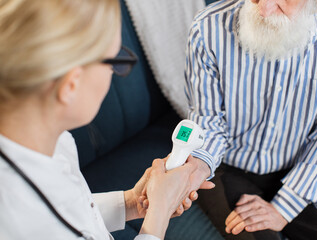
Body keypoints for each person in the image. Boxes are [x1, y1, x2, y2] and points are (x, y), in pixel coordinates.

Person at [0, 0, 212, 239]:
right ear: (71, 84)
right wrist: (159, 214)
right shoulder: (13, 214)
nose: (113, 73)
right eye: (114, 61)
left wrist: (130, 203)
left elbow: (67, 209)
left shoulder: (48, 138)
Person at [184, 0, 317, 239]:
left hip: (298, 165)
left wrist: (283, 208)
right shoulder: (207, 27)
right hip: (226, 165)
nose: (264, 9)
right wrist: (197, 168)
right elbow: (209, 122)